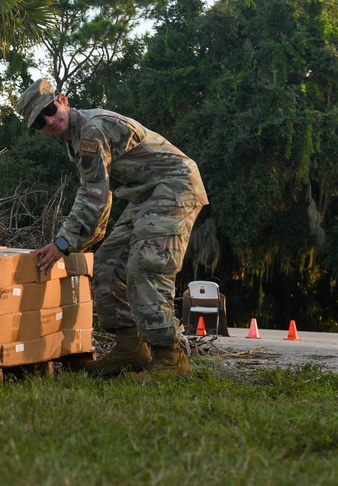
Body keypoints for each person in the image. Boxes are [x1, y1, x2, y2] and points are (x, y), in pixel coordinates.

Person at [16, 79, 208, 379]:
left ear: (63, 100)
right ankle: (131, 347)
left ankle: (171, 357)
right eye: (39, 122)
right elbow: (97, 198)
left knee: (145, 266)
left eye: (50, 110)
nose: (49, 121)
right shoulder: (77, 137)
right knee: (110, 262)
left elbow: (94, 196)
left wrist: (63, 244)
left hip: (173, 187)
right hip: (146, 194)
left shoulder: (92, 130)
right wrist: (78, 240)